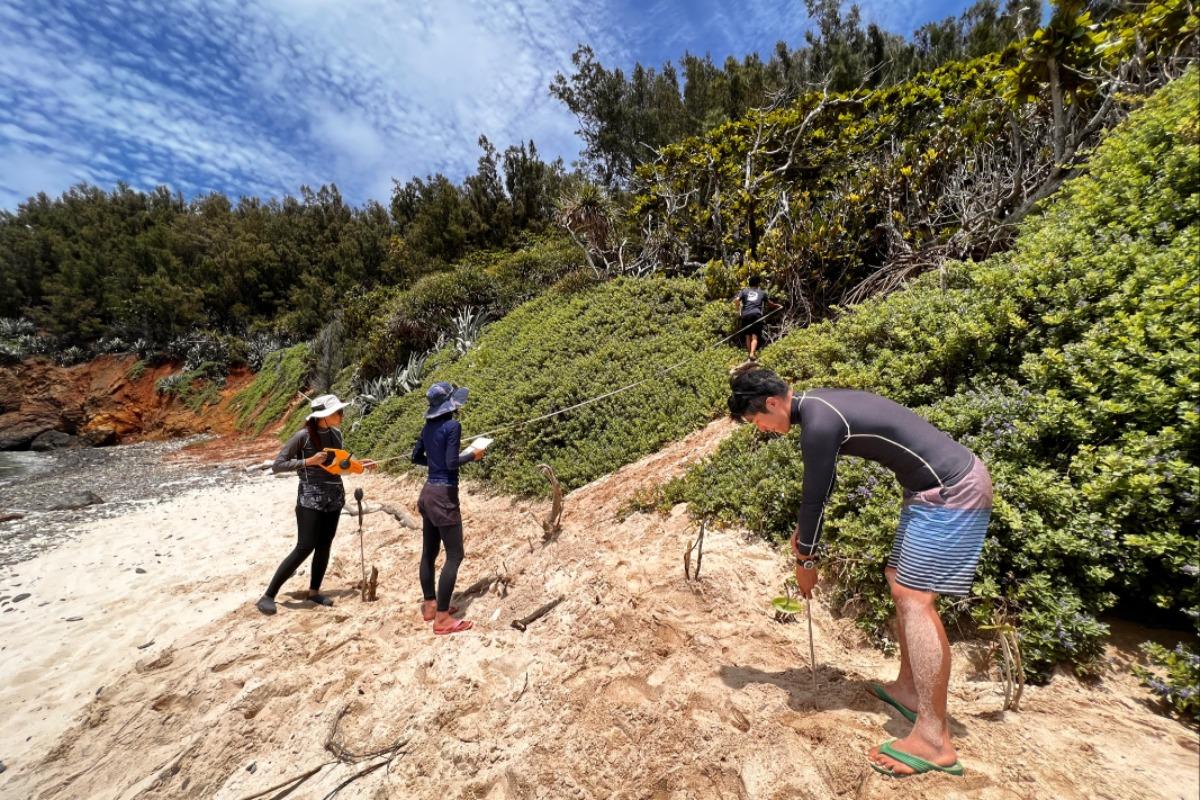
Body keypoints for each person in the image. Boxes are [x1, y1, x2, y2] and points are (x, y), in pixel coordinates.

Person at [727, 369, 993, 778]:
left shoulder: (818, 422)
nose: (761, 429)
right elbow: (814, 499)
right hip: (930, 491)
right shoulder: (817, 406)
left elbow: (817, 494)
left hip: (951, 491)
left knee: (916, 599)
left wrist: (806, 562)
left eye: (756, 421)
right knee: (897, 577)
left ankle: (934, 740)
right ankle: (908, 689)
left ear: (772, 404)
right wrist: (807, 541)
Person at [256, 394, 371, 615]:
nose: (342, 415)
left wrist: (359, 466)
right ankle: (268, 595)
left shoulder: (336, 434)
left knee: (325, 544)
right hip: (310, 498)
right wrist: (308, 461)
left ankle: (314, 591)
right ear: (324, 416)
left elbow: (339, 466)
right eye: (338, 412)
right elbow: (278, 465)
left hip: (334, 497)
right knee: (304, 546)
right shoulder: (303, 437)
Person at [411, 381, 485, 635]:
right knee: (455, 555)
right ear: (450, 405)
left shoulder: (427, 427)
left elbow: (415, 457)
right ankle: (442, 618)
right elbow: (453, 462)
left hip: (428, 492)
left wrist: (436, 464)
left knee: (428, 552)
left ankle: (430, 605)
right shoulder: (453, 426)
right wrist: (473, 455)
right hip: (444, 496)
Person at [732, 275, 781, 360]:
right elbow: (770, 304)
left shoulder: (744, 291)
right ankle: (752, 353)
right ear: (758, 284)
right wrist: (777, 306)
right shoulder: (762, 293)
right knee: (755, 335)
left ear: (749, 283)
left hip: (745, 315)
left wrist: (738, 310)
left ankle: (749, 354)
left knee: (747, 335)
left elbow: (736, 300)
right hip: (756, 315)